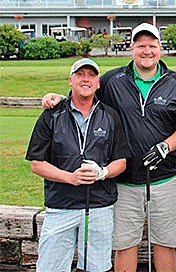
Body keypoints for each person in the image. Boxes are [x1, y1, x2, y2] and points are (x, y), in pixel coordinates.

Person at [41, 23, 176, 271]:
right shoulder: (113, 80)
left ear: (160, 49)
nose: (147, 51)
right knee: (125, 244)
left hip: (165, 179)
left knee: (165, 243)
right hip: (123, 182)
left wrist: (165, 147)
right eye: (140, 46)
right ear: (131, 49)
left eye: (152, 45)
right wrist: (58, 98)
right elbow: (85, 94)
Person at [26, 58, 130, 271]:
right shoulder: (52, 115)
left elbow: (121, 161)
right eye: (80, 74)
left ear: (98, 83)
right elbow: (37, 163)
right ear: (70, 80)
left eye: (91, 75)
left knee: (97, 268)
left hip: (99, 206)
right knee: (50, 267)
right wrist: (70, 178)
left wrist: (102, 173)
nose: (86, 79)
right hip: (60, 206)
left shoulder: (110, 116)